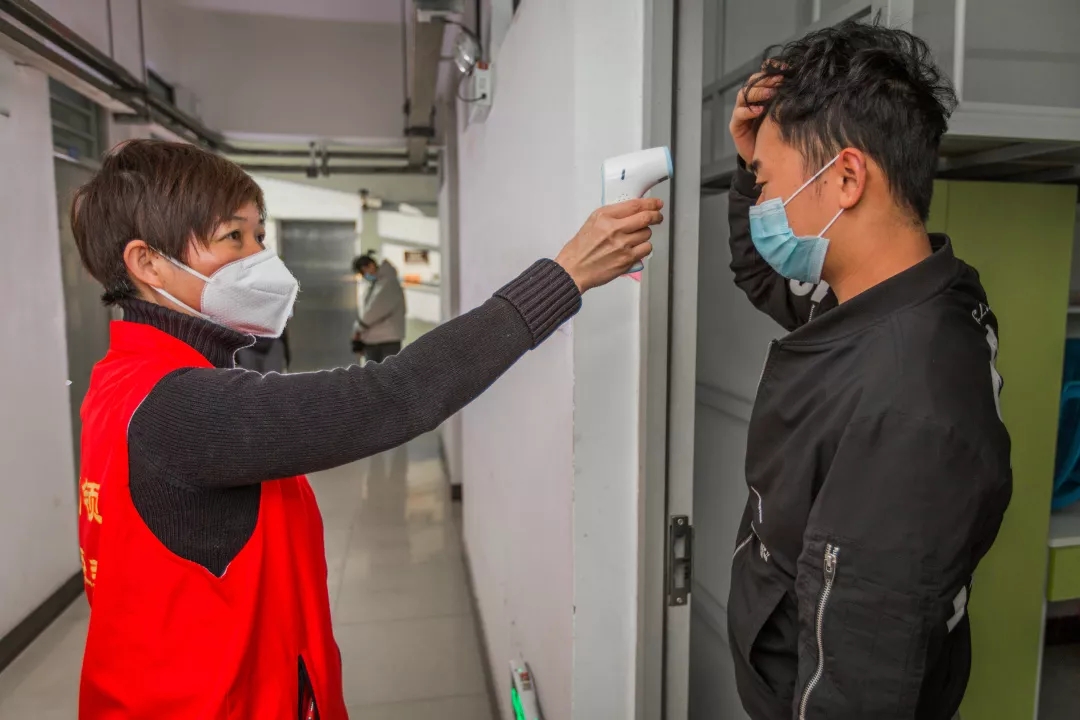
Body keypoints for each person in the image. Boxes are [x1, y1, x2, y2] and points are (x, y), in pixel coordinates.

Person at [71, 139, 662, 719]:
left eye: (260, 237)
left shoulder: (125, 379)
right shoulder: (180, 406)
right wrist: (566, 275)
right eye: (234, 238)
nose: (258, 258)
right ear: (147, 263)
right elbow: (393, 395)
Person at [723, 21, 1012, 720]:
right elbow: (761, 274)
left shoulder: (907, 411)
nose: (762, 208)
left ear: (846, 178)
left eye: (767, 186)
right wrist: (749, 161)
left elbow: (856, 682)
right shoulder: (899, 291)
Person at [351, 251, 406, 364]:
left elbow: (374, 311)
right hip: (378, 338)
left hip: (384, 339)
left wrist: (359, 329)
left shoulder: (387, 283)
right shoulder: (379, 283)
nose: (364, 276)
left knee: (383, 373)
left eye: (363, 272)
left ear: (371, 265)